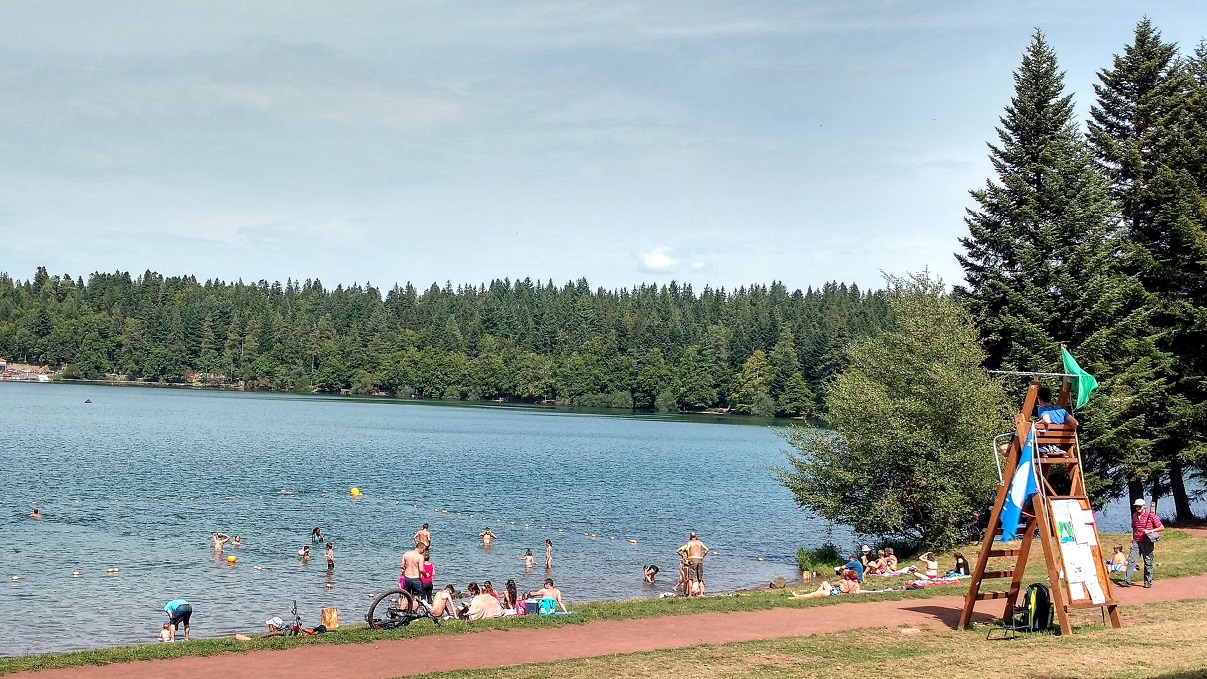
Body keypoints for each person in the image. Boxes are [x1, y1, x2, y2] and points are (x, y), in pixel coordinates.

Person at [1122, 498, 1164, 588]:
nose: (1138, 508)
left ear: (1144, 506)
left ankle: (1148, 582)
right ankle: (1127, 581)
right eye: (1136, 506)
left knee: (1148, 562)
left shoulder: (1151, 515)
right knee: (1131, 561)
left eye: (1139, 506)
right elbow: (1134, 528)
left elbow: (1161, 527)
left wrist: (1150, 531)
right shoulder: (1134, 516)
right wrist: (1133, 539)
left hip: (1147, 542)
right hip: (1136, 542)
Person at [676, 532, 710, 596]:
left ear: (690, 536)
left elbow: (687, 549)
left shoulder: (689, 543)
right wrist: (703, 556)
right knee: (700, 578)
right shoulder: (700, 542)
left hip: (693, 559)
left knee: (691, 578)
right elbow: (707, 550)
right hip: (699, 559)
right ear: (696, 536)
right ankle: (702, 594)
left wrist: (687, 557)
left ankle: (689, 594)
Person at [400, 542, 426, 607]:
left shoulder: (406, 554)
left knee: (406, 596)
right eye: (423, 550)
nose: (423, 552)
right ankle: (413, 612)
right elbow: (421, 569)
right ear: (420, 548)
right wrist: (425, 575)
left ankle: (401, 611)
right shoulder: (420, 557)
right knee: (415, 598)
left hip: (407, 578)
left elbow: (402, 566)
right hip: (416, 579)